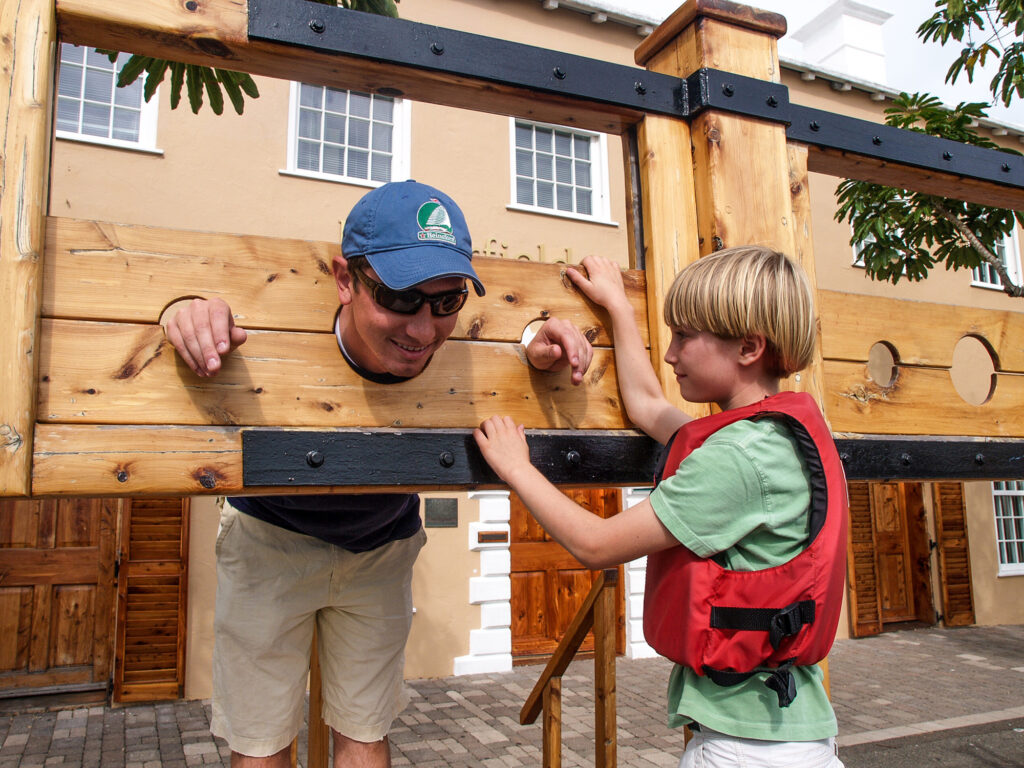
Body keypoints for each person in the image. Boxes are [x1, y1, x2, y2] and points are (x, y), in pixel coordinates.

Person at [165, 180, 594, 768]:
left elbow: (504, 342)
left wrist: (529, 343)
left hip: (382, 548)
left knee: (364, 731)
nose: (423, 329)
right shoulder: (277, 328)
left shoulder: (447, 341)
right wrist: (184, 313)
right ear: (344, 280)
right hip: (268, 539)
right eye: (398, 298)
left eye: (446, 303)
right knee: (260, 741)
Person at [474, 246, 848, 768]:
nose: (670, 355)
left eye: (685, 337)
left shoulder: (738, 460)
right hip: (785, 733)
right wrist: (619, 309)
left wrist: (517, 468)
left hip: (747, 751)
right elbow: (647, 405)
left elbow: (596, 544)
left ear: (748, 347)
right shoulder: (776, 435)